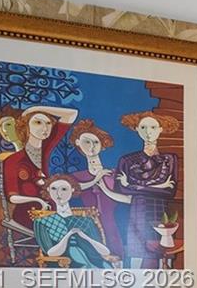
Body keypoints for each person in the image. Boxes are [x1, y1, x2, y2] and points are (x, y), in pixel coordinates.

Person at [115, 109, 180, 268]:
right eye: (143, 127)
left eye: (152, 127)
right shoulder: (127, 160)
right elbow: (120, 189)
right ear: (136, 129)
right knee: (136, 254)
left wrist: (132, 186)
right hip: (137, 212)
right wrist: (158, 185)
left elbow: (169, 192)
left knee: (164, 254)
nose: (148, 132)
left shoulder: (169, 159)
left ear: (160, 129)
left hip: (161, 212)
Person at [1, 104, 79, 234]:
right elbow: (12, 197)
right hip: (29, 214)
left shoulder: (46, 148)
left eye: (48, 123)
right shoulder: (13, 160)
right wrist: (37, 200)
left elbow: (71, 114)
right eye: (37, 122)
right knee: (68, 231)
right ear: (26, 126)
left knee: (80, 225)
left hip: (53, 211)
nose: (45, 128)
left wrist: (34, 109)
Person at [65, 119, 129, 256]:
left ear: (102, 146)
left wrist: (106, 189)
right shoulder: (77, 176)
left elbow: (128, 199)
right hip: (88, 223)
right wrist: (96, 179)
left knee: (117, 250)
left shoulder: (113, 173)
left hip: (114, 221)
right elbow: (72, 190)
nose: (91, 146)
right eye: (87, 142)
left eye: (95, 142)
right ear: (78, 143)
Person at [34, 178, 115, 269]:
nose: (58, 193)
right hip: (64, 266)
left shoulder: (86, 221)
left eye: (64, 189)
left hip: (94, 264)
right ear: (48, 190)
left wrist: (85, 237)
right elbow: (51, 253)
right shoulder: (43, 222)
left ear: (72, 190)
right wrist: (68, 236)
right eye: (54, 189)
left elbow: (105, 251)